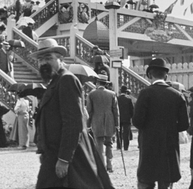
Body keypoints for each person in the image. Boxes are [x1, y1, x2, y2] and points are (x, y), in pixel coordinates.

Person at [30, 38, 114, 189]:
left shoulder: (66, 80)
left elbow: (73, 123)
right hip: (52, 154)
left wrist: (64, 159)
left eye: (48, 58)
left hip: (66, 155)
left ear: (60, 59)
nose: (43, 63)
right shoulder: (55, 82)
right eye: (40, 60)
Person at [133, 58, 189, 189]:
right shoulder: (177, 95)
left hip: (148, 144)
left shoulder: (145, 93)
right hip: (169, 145)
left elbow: (137, 122)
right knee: (166, 180)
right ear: (166, 75)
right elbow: (184, 125)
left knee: (146, 180)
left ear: (150, 75)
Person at [86, 74, 120, 172]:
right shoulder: (112, 94)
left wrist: (88, 125)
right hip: (110, 122)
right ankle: (110, 165)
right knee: (109, 144)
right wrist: (117, 124)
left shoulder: (91, 94)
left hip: (96, 122)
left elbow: (89, 111)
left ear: (97, 83)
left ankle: (101, 167)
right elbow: (116, 111)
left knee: (99, 144)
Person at [116, 85, 134, 151]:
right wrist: (132, 117)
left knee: (118, 132)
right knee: (126, 133)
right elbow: (131, 110)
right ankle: (126, 146)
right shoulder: (129, 99)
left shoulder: (117, 98)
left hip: (119, 117)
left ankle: (119, 146)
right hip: (127, 118)